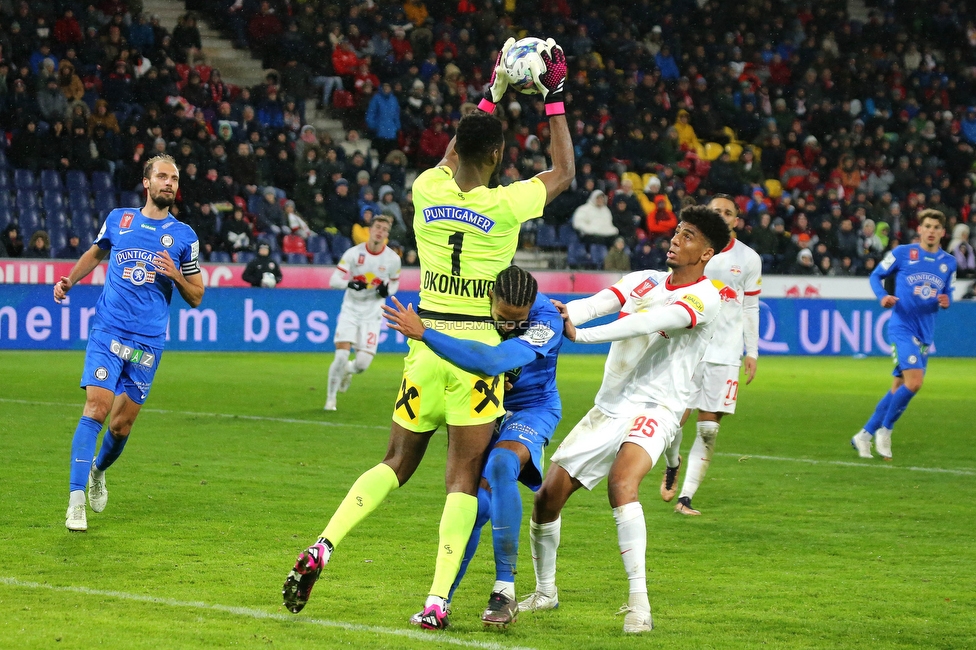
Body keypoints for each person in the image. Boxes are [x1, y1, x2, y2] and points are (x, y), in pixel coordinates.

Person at [282, 38, 574, 631]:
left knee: (393, 461)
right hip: (475, 360)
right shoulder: (507, 205)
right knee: (462, 481)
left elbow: (455, 154)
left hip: (422, 347)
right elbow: (564, 170)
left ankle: (324, 544)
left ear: (456, 152)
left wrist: (491, 94)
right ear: (496, 159)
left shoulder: (424, 189)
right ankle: (438, 600)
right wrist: (554, 97)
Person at [519, 206, 731, 633]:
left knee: (622, 483)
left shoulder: (708, 297)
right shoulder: (642, 280)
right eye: (676, 232)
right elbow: (594, 306)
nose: (675, 240)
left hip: (658, 407)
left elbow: (649, 322)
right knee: (545, 500)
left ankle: (640, 604)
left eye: (687, 236)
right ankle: (545, 592)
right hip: (610, 406)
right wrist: (557, 318)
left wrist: (582, 336)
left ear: (706, 252)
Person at [384, 266, 563, 627]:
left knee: (501, 465)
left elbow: (492, 361)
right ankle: (439, 602)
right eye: (504, 319)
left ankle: (505, 590)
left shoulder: (547, 320)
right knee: (474, 507)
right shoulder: (473, 307)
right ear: (490, 299)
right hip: (487, 408)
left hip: (531, 408)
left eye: (519, 321)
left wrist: (424, 333)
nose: (510, 327)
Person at [53, 155, 203, 532]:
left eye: (174, 178)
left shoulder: (185, 236)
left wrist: (177, 277)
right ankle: (74, 503)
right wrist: (70, 280)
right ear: (147, 182)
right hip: (108, 331)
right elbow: (95, 252)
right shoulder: (120, 219)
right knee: (97, 408)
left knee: (120, 426)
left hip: (147, 344)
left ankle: (98, 471)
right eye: (162, 176)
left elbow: (198, 295)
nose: (169, 183)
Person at [665, 195, 762, 516]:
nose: (721, 215)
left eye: (727, 212)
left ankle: (686, 497)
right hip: (690, 347)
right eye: (715, 211)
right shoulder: (695, 249)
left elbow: (750, 306)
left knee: (708, 431)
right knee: (673, 419)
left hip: (726, 353)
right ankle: (672, 462)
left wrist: (753, 351)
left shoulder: (748, 259)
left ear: (736, 220)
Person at [851, 210, 956, 460]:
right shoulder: (902, 253)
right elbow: (876, 275)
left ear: (942, 232)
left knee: (899, 387)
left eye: (936, 227)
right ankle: (885, 431)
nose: (931, 231)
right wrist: (883, 296)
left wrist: (946, 300)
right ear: (919, 229)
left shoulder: (949, 262)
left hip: (925, 332)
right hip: (902, 326)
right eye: (927, 226)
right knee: (915, 382)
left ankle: (864, 435)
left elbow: (948, 293)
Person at [323, 215, 401, 411]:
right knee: (340, 356)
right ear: (370, 229)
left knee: (362, 365)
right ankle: (330, 400)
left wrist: (387, 291)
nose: (380, 231)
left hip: (372, 313)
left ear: (387, 234)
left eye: (384, 229)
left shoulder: (392, 259)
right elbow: (334, 280)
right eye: (377, 227)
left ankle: (347, 372)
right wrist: (349, 283)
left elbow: (394, 283)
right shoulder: (353, 253)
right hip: (351, 310)